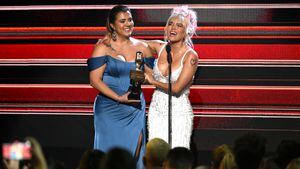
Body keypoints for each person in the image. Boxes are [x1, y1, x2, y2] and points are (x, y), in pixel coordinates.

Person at [87, 5, 152, 169]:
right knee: (107, 157)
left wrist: (143, 77)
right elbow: (94, 80)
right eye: (122, 21)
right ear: (112, 25)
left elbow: (151, 77)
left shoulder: (142, 48)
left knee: (132, 156)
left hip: (133, 107)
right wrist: (118, 97)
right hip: (109, 108)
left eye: (130, 19)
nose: (128, 24)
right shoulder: (103, 47)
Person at [144, 5, 198, 148]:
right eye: (170, 24)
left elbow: (177, 88)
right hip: (157, 109)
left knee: (176, 156)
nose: (173, 28)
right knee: (156, 154)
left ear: (187, 31)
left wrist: (152, 80)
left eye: (179, 25)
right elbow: (133, 45)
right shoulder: (158, 47)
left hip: (179, 112)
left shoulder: (191, 56)